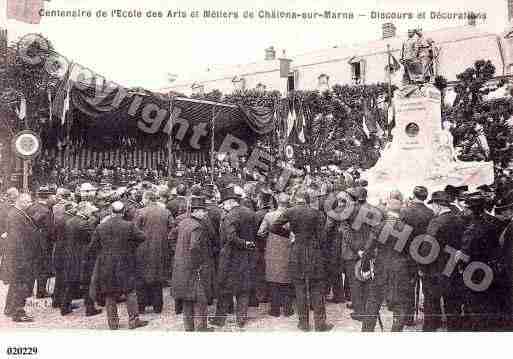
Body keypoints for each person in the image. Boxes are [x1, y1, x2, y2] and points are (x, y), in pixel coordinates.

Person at [271, 189, 333, 332]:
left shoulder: (290, 212)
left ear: (295, 199)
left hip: (296, 252)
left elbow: (274, 227)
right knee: (316, 288)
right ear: (307, 200)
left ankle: (303, 323)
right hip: (314, 253)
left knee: (299, 289)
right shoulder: (317, 214)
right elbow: (323, 238)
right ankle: (320, 324)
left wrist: (290, 235)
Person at [88, 201, 148, 330]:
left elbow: (92, 247)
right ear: (123, 211)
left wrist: (103, 252)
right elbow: (142, 237)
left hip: (106, 264)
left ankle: (113, 323)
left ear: (111, 211)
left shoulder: (101, 227)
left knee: (109, 294)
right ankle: (133, 320)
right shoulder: (129, 225)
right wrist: (131, 247)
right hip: (126, 262)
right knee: (130, 291)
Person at [210, 186, 257, 329]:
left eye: (224, 203)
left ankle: (219, 319)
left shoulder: (230, 216)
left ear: (230, 202)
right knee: (243, 287)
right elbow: (254, 231)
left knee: (224, 287)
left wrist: (243, 243)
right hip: (246, 256)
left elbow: (230, 237)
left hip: (230, 256)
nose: (223, 206)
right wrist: (248, 244)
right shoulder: (250, 213)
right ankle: (241, 318)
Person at [422, 191, 466, 331]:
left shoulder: (436, 222)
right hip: (453, 267)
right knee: (453, 305)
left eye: (433, 205)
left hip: (435, 269)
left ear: (438, 205)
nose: (432, 209)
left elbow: (426, 248)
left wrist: (422, 267)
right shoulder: (459, 220)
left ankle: (430, 329)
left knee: (431, 304)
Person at [172, 196, 215, 331]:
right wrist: (199, 264)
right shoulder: (198, 227)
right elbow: (194, 247)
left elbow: (171, 237)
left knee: (187, 300)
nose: (205, 214)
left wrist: (179, 253)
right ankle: (201, 328)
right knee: (201, 300)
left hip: (181, 266)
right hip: (194, 269)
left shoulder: (183, 222)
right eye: (203, 211)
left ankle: (188, 328)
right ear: (196, 211)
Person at [0, 194, 38, 322]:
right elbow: (18, 241)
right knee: (21, 285)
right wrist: (24, 260)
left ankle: (9, 308)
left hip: (17, 257)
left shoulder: (16, 213)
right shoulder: (16, 216)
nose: (30, 204)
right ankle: (18, 312)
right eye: (28, 202)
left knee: (15, 284)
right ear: (22, 202)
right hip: (20, 258)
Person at [134, 191, 174, 314]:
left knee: (141, 278)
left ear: (146, 199)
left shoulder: (140, 212)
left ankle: (141, 306)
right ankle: (158, 306)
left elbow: (135, 230)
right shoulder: (165, 212)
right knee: (158, 277)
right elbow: (172, 227)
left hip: (143, 249)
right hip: (161, 248)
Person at [61, 201, 102, 316]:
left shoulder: (69, 221)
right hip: (83, 257)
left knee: (71, 283)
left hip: (71, 255)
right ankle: (90, 309)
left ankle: (65, 307)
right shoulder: (84, 224)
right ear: (84, 210)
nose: (92, 211)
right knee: (87, 283)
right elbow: (93, 239)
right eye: (90, 210)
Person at [400, 186, 434, 325]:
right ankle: (429, 318)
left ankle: (408, 318)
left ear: (413, 195)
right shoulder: (431, 212)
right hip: (426, 254)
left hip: (408, 254)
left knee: (408, 287)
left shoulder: (405, 211)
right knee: (426, 286)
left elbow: (401, 235)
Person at [258, 192, 294, 317]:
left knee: (273, 280)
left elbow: (261, 233)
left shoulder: (269, 215)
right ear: (288, 203)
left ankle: (275, 310)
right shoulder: (291, 215)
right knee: (287, 279)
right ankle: (288, 309)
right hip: (288, 249)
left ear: (277, 202)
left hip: (272, 250)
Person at [26, 186, 55, 299]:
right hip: (43, 244)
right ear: (48, 197)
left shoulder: (30, 208)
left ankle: (28, 291)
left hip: (30, 242)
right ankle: (41, 291)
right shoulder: (47, 211)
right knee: (43, 267)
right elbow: (50, 230)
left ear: (38, 195)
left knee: (32, 266)